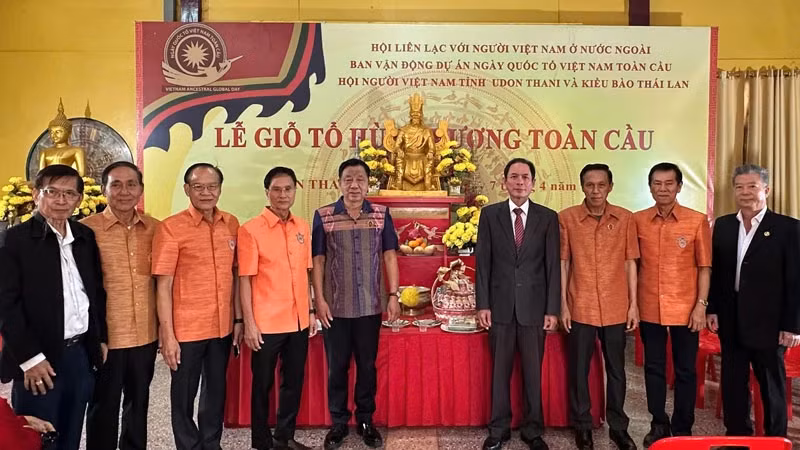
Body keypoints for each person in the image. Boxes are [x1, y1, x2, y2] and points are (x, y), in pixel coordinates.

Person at [0, 164, 108, 450]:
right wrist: (30, 359)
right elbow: (6, 305)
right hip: (39, 357)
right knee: (40, 435)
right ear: (36, 195)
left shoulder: (84, 237)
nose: (61, 200)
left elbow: (96, 293)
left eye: (69, 194)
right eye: (52, 192)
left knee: (71, 433)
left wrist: (101, 338)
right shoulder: (15, 239)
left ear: (79, 200)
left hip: (79, 353)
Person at [152, 163, 243, 450]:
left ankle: (210, 443)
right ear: (187, 189)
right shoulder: (171, 227)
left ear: (220, 189)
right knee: (183, 394)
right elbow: (163, 285)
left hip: (221, 326)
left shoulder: (231, 223)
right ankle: (188, 445)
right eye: (198, 186)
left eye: (212, 186)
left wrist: (238, 321)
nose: (206, 192)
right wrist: (167, 335)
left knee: (215, 391)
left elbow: (236, 276)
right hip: (186, 328)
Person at [311, 158, 401, 449]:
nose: (354, 185)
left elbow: (389, 256)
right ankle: (338, 423)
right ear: (339, 183)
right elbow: (318, 261)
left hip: (369, 307)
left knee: (366, 366)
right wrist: (319, 300)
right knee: (337, 367)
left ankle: (365, 420)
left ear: (367, 183)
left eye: (360, 179)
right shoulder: (323, 216)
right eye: (348, 179)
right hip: (334, 308)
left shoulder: (380, 214)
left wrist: (394, 295)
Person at [707, 164, 800, 437]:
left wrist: (793, 326)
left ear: (766, 190)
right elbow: (718, 272)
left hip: (770, 323)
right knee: (733, 382)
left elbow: (796, 281)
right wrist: (712, 308)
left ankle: (775, 439)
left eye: (752, 186)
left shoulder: (788, 229)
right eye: (739, 187)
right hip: (731, 317)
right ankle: (737, 436)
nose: (745, 192)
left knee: (771, 385)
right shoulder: (723, 225)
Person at [475, 158, 560, 450]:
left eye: (525, 177)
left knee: (533, 374)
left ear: (533, 183)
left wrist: (552, 309)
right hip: (498, 308)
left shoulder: (548, 218)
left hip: (535, 309)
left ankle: (533, 430)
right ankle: (498, 429)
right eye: (514, 177)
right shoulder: (489, 215)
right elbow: (482, 264)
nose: (519, 182)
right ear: (504, 182)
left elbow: (552, 267)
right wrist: (482, 305)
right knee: (499, 372)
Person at [559, 163, 639, 450]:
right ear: (582, 187)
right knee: (578, 369)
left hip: (616, 305)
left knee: (617, 370)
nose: (595, 190)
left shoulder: (626, 219)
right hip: (579, 304)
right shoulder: (567, 219)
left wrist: (633, 305)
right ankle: (582, 426)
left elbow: (631, 262)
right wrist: (563, 306)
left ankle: (619, 427)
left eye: (601, 185)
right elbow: (563, 263)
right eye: (590, 185)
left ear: (610, 186)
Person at [82, 161, 160, 450]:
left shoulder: (156, 228)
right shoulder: (86, 231)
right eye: (116, 184)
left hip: (146, 334)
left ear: (140, 189)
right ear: (104, 190)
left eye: (131, 184)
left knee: (138, 402)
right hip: (107, 337)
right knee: (103, 404)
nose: (124, 191)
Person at [239, 167, 318, 450]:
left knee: (293, 383)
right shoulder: (250, 230)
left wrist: (310, 312)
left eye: (288, 189)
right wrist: (248, 323)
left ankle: (284, 437)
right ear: (267, 192)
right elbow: (245, 281)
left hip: (298, 322)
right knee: (262, 386)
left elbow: (306, 274)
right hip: (266, 323)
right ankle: (261, 442)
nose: (283, 195)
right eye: (277, 189)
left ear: (295, 191)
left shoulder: (302, 227)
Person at [633, 163, 711, 447]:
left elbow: (704, 267)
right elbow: (633, 266)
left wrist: (701, 306)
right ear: (650, 186)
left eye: (669, 183)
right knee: (653, 367)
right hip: (649, 306)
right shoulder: (638, 221)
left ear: (679, 186)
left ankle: (682, 427)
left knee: (685, 370)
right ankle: (658, 423)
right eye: (657, 183)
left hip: (686, 310)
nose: (662, 189)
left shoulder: (696, 220)